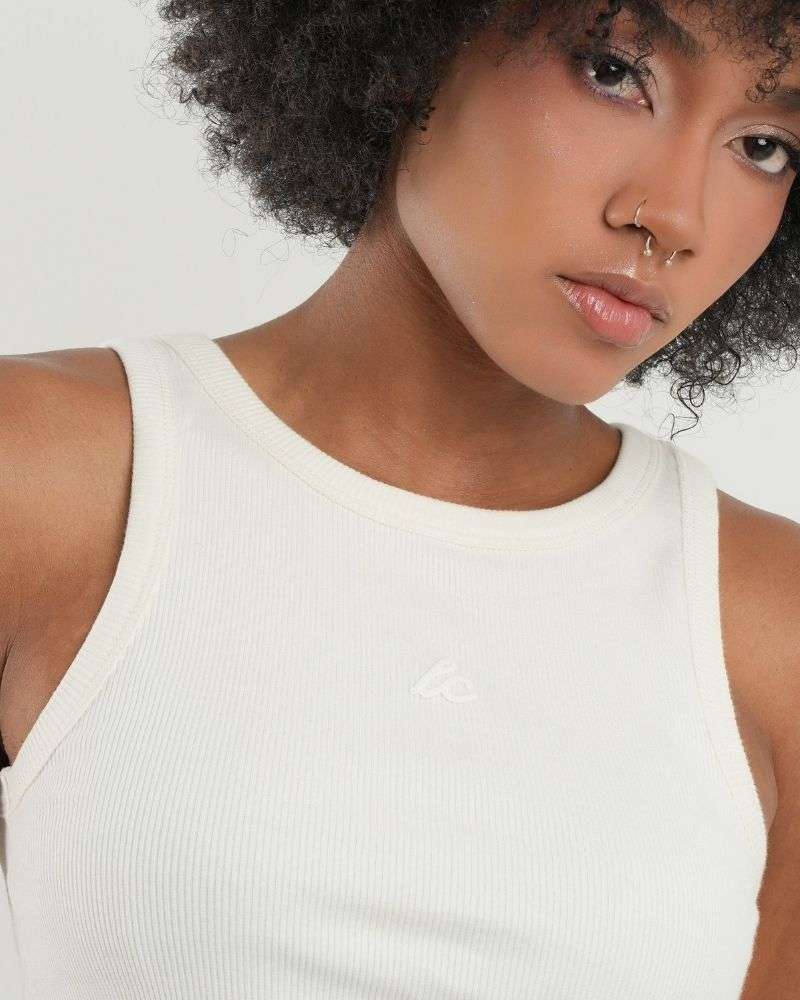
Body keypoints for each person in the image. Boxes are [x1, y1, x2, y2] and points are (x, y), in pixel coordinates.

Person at [1, 1, 798, 996]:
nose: (673, 217)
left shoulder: (771, 630)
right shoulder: (49, 478)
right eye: (612, 71)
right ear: (416, 43)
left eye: (762, 146)